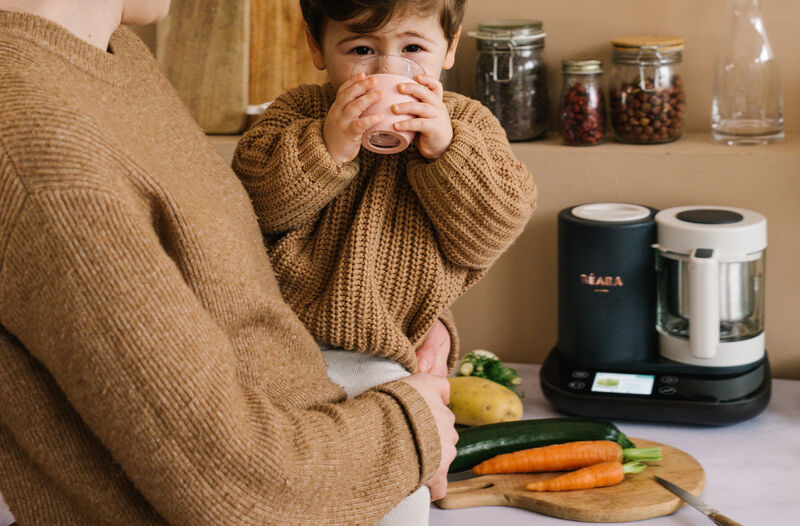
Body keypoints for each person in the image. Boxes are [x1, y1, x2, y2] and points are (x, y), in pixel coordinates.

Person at [0, 1, 459, 525]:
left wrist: (401, 303)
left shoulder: (107, 50)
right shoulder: (31, 141)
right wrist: (411, 429)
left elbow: (207, 275)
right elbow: (233, 484)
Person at [232, 1, 536, 523]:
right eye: (361, 50)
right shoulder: (296, 113)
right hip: (283, 341)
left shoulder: (467, 124)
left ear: (450, 49)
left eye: (413, 48)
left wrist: (444, 150)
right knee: (275, 465)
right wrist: (329, 144)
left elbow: (490, 233)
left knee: (394, 485)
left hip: (387, 351)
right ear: (317, 48)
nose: (386, 71)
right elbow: (253, 206)